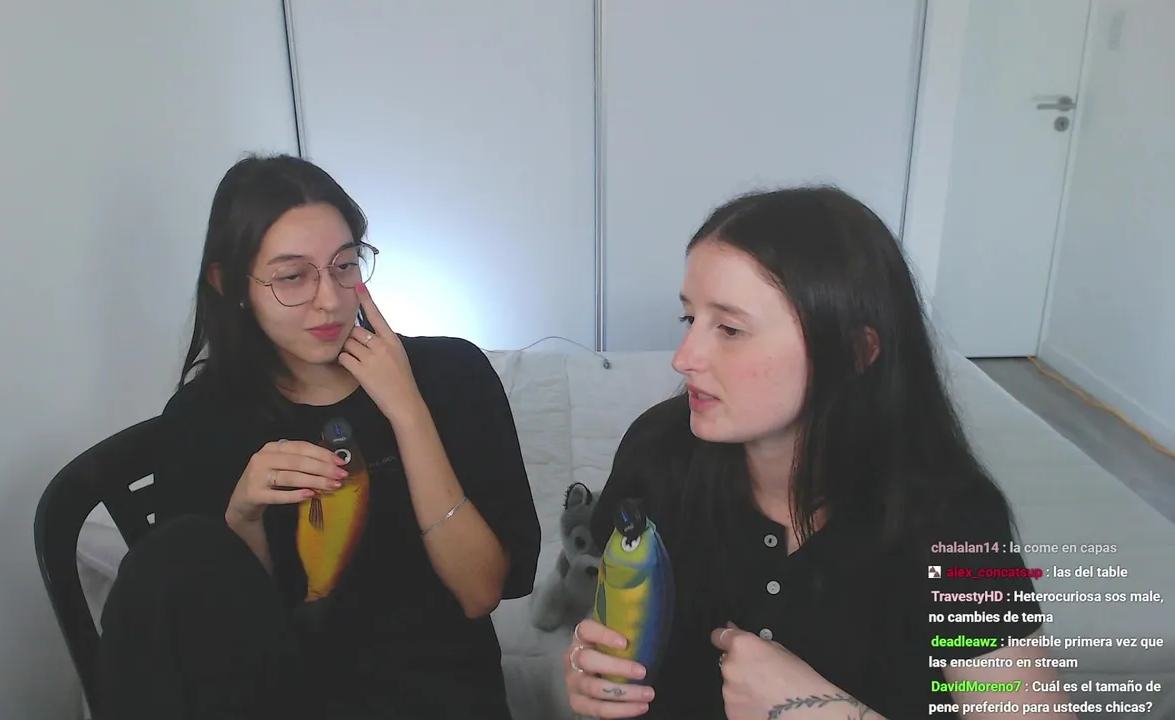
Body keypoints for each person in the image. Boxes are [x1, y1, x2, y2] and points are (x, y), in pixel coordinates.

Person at [562, 187, 1078, 719]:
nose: (684, 357)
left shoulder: (950, 519)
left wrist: (824, 711)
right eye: (690, 320)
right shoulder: (659, 450)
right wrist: (588, 664)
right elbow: (610, 615)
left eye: (731, 329)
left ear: (856, 351)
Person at [96, 154, 541, 720]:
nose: (329, 299)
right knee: (167, 558)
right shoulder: (203, 417)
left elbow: (480, 593)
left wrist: (408, 413)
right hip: (284, 694)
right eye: (292, 277)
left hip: (436, 693)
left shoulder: (452, 374)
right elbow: (224, 642)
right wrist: (243, 518)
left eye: (344, 266)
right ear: (230, 285)